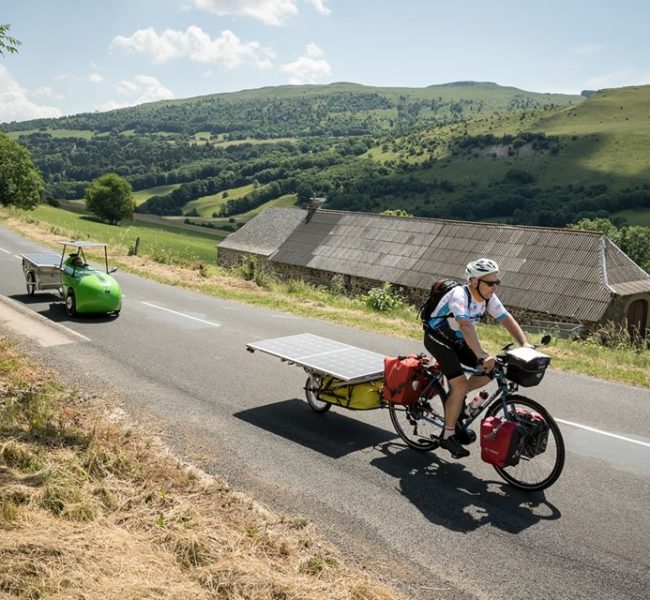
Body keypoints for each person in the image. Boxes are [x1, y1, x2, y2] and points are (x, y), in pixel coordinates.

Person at [423, 258, 531, 459]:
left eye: (497, 282)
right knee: (460, 385)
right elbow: (465, 326)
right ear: (474, 281)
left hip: (457, 341)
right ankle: (448, 435)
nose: (494, 287)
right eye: (490, 283)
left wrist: (525, 343)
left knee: (491, 371)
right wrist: (481, 354)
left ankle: (456, 403)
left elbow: (506, 318)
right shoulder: (459, 295)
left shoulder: (488, 297)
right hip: (437, 339)